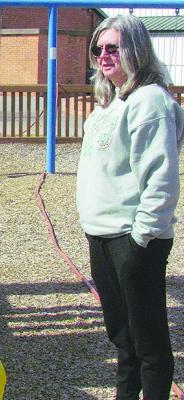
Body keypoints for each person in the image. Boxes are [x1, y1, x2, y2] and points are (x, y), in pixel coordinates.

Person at [76, 14, 184, 400]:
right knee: (122, 335)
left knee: (148, 336)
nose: (103, 55)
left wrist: (142, 236)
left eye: (113, 47)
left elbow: (161, 178)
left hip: (132, 238)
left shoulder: (150, 101)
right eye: (98, 48)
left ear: (136, 50)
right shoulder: (108, 104)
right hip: (102, 236)